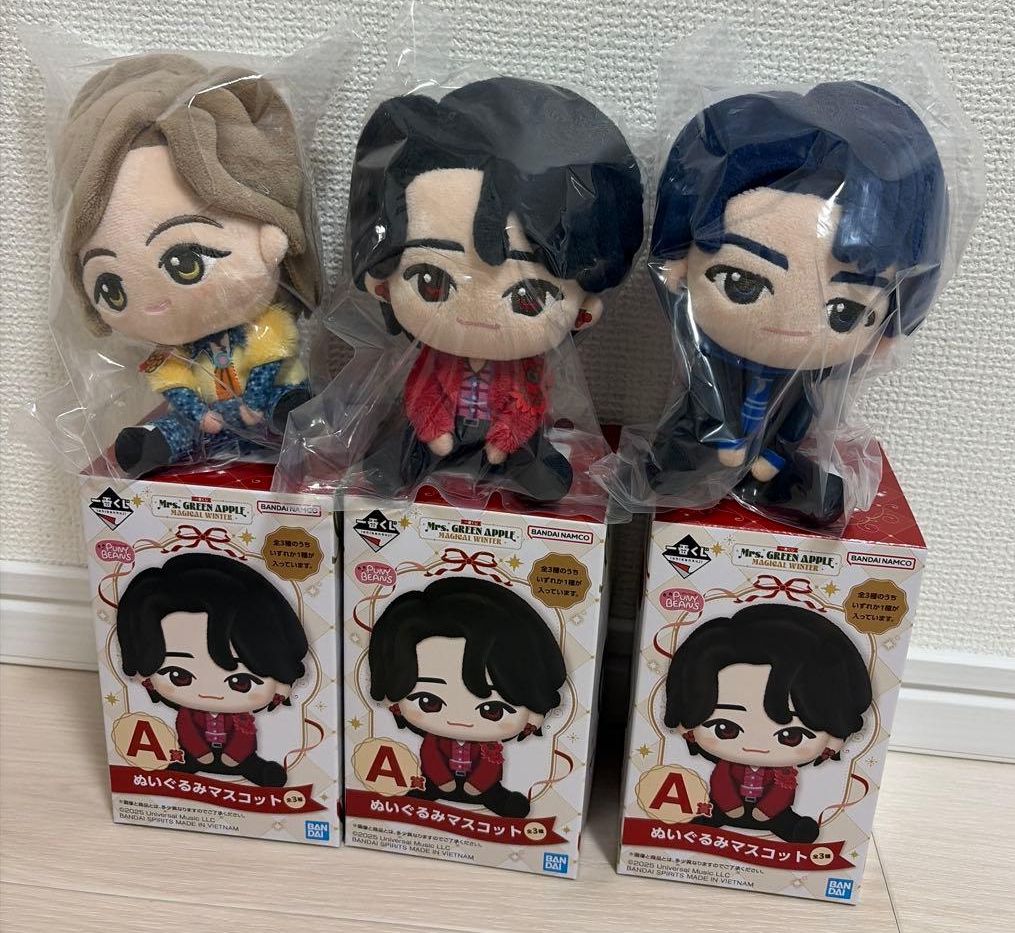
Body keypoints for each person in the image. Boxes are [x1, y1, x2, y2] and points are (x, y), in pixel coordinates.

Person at [646, 81, 947, 525]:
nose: (791, 324)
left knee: (791, 446)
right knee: (693, 434)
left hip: (770, 458)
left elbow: (798, 417)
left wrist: (771, 456)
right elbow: (705, 396)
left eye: (845, 312)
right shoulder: (710, 358)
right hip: (709, 436)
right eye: (741, 282)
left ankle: (768, 473)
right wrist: (723, 441)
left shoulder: (808, 379)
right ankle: (703, 460)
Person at [350, 76, 643, 503]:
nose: (476, 314)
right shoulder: (434, 361)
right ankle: (418, 455)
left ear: (585, 310)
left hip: (505, 440)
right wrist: (435, 433)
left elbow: (526, 404)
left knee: (531, 450)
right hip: (439, 433)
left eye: (529, 297)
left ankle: (521, 462)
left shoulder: (525, 369)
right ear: (383, 282)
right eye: (430, 281)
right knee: (402, 445)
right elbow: (423, 394)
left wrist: (504, 441)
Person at [59, 53, 322, 477]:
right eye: (112, 287)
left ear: (271, 238)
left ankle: (291, 420)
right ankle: (151, 447)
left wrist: (257, 402)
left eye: (185, 263)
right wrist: (200, 416)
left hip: (262, 410)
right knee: (174, 425)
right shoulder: (173, 354)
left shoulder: (264, 328)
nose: (155, 303)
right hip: (209, 425)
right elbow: (174, 384)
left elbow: (272, 358)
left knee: (288, 399)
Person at [664, 604, 872, 843]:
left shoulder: (785, 773)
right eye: (726, 729)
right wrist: (730, 806)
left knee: (785, 822)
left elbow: (783, 791)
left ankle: (793, 829)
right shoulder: (727, 766)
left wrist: (767, 811)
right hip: (726, 807)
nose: (755, 746)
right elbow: (721, 782)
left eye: (791, 736)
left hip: (772, 814)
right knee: (711, 815)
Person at [368, 577, 566, 818]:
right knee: (424, 790)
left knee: (496, 797)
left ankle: (500, 802)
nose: (459, 720)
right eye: (429, 702)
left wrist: (477, 785)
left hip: (482, 787)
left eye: (492, 710)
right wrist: (442, 781)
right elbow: (430, 757)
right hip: (438, 782)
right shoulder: (435, 740)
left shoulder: (490, 746)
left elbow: (490, 766)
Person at [116, 553, 308, 787]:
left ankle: (260, 772)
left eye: (241, 682)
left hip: (238, 757)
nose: (209, 693)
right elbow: (186, 730)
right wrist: (200, 753)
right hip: (196, 754)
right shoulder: (189, 714)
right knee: (184, 763)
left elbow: (244, 737)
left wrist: (234, 756)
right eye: (179, 676)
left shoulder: (241, 718)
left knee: (250, 765)